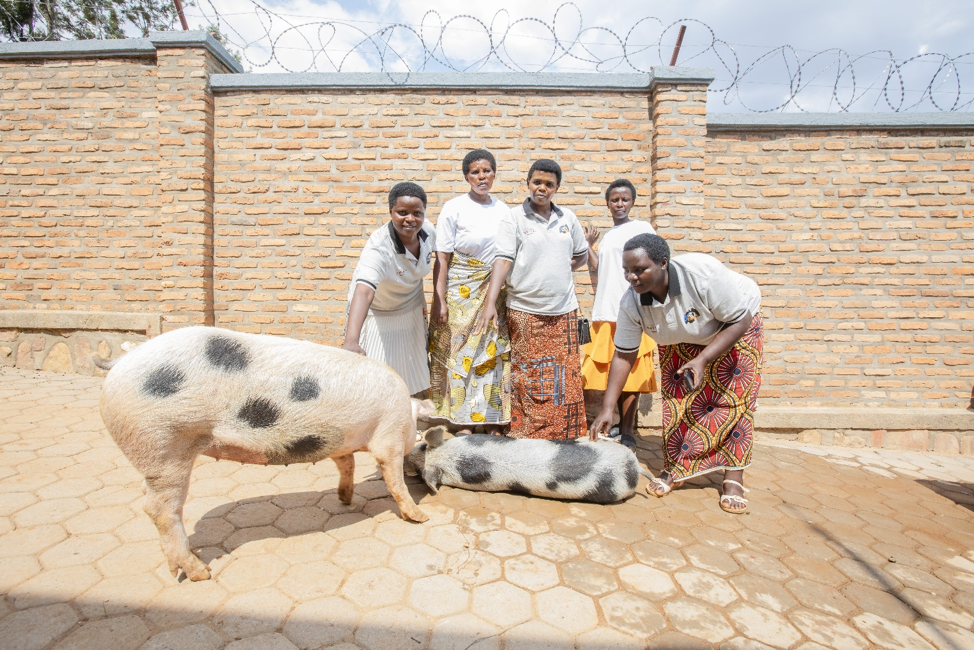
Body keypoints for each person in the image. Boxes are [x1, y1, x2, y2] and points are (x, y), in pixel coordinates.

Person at [589, 234, 762, 514]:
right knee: (678, 400)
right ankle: (678, 468)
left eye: (639, 270)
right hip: (681, 333)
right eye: (627, 271)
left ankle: (733, 477)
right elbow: (624, 354)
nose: (631, 278)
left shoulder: (701, 274)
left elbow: (740, 319)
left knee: (733, 400)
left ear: (663, 263)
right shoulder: (631, 303)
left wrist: (703, 359)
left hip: (735, 324)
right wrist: (608, 408)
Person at [476, 159, 589, 440]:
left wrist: (562, 268)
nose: (542, 188)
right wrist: (490, 302)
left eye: (549, 184)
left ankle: (562, 436)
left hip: (563, 311)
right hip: (525, 310)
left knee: (565, 377)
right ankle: (527, 436)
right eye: (537, 182)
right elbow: (502, 260)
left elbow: (582, 253)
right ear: (528, 184)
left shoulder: (568, 219)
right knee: (529, 376)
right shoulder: (514, 218)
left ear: (557, 188)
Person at [428, 149, 511, 433]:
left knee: (490, 353)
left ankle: (490, 420)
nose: (481, 177)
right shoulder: (454, 207)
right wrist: (440, 301)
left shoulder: (503, 211)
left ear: (494, 174)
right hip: (460, 291)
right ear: (466, 176)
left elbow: (507, 254)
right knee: (459, 353)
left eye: (486, 171)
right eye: (475, 172)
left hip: (494, 291)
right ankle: (462, 420)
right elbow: (442, 258)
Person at [581, 179, 659, 449]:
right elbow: (601, 268)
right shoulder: (609, 237)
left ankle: (627, 431)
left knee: (634, 372)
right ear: (608, 204)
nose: (620, 204)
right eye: (614, 200)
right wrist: (589, 244)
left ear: (633, 202)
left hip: (632, 308)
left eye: (625, 199)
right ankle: (610, 422)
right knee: (605, 372)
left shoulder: (641, 228)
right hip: (606, 309)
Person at [343, 181, 435, 396]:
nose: (410, 219)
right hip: (378, 310)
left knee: (411, 368)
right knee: (372, 376)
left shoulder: (428, 232)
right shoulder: (379, 247)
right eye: (402, 212)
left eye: (417, 213)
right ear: (390, 212)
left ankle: (407, 420)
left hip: (410, 304)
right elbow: (364, 290)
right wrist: (351, 341)